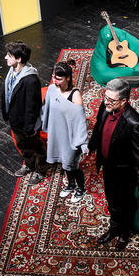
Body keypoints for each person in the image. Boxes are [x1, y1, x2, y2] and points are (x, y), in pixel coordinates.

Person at [88, 78, 139, 251]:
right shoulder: (106, 106)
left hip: (125, 172)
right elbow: (99, 126)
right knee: (112, 200)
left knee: (126, 203)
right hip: (108, 166)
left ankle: (125, 231)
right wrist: (92, 145)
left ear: (124, 101)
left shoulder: (135, 123)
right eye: (105, 97)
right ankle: (115, 227)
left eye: (111, 100)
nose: (106, 102)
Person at [1, 40, 48, 186]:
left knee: (37, 148)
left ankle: (41, 170)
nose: (5, 57)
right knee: (22, 145)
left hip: (27, 124)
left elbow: (32, 106)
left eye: (9, 55)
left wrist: (29, 127)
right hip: (15, 120)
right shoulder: (12, 71)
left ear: (19, 59)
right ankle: (29, 164)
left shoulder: (31, 80)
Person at [41, 60, 89, 203]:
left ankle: (81, 188)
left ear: (68, 78)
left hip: (70, 138)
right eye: (53, 77)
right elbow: (45, 109)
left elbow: (80, 121)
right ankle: (71, 185)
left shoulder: (75, 95)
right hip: (57, 135)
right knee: (65, 165)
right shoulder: (52, 89)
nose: (55, 81)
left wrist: (83, 143)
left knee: (72, 165)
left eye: (59, 79)